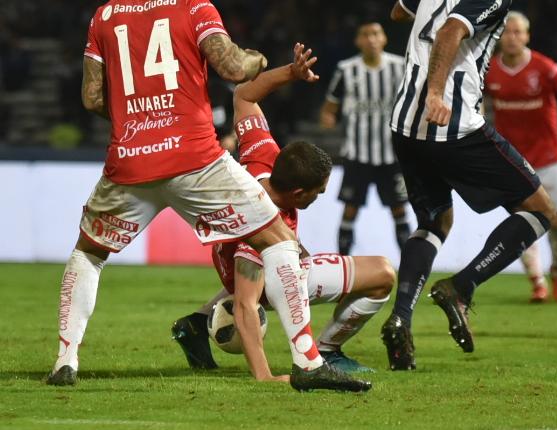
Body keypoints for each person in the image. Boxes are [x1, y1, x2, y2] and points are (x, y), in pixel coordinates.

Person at [47, 1, 361, 393]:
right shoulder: (194, 7)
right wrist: (258, 59)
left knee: (88, 254)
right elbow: (233, 68)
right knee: (279, 239)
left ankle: (65, 359)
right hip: (194, 158)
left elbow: (93, 97)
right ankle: (308, 362)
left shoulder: (105, 16)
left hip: (130, 161)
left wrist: (139, 123)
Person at [172, 46, 394, 382]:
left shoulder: (263, 154)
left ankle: (197, 321)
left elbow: (244, 96)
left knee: (291, 250)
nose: (320, 197)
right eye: (318, 192)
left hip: (230, 255)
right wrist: (265, 376)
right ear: (297, 194)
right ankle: (329, 350)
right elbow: (247, 305)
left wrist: (291, 72)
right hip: (260, 274)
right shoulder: (263, 226)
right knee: (382, 274)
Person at [382, 0, 557, 371]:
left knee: (434, 223)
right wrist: (434, 92)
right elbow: (450, 31)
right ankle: (463, 286)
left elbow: (399, 11)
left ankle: (400, 317)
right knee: (541, 209)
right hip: (452, 123)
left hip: (404, 125)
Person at [484, 11, 557, 303]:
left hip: (547, 157)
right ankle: (537, 282)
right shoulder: (489, 71)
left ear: (527, 36)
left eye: (518, 32)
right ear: (499, 36)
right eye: (507, 32)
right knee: (521, 220)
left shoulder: (545, 68)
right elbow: (478, 107)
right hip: (512, 160)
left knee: (554, 219)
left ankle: (556, 270)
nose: (512, 37)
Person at [320, 22, 411, 257]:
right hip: (357, 154)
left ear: (384, 39)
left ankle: (411, 265)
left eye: (375, 34)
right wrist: (328, 118)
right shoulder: (346, 70)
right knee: (350, 210)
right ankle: (342, 264)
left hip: (391, 155)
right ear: (358, 41)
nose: (371, 39)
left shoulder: (400, 67)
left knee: (399, 210)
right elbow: (330, 107)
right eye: (365, 35)